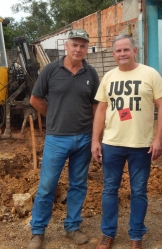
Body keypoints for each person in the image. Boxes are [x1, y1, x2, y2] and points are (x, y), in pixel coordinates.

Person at [91, 34, 162, 249]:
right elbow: (100, 110)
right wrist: (95, 140)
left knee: (139, 191)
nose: (122, 54)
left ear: (135, 51)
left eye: (126, 49)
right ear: (113, 54)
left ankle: (136, 235)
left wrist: (158, 139)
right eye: (118, 50)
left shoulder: (150, 74)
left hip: (142, 145)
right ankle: (108, 233)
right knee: (109, 189)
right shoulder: (108, 77)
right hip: (112, 143)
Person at [27, 28, 99, 249]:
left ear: (87, 49)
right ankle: (38, 231)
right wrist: (55, 115)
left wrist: (97, 136)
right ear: (66, 46)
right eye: (74, 44)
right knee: (47, 185)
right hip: (57, 139)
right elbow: (35, 99)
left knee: (78, 184)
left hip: (84, 138)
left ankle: (73, 227)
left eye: (83, 45)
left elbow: (97, 106)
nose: (78, 49)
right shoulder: (50, 70)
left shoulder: (91, 74)